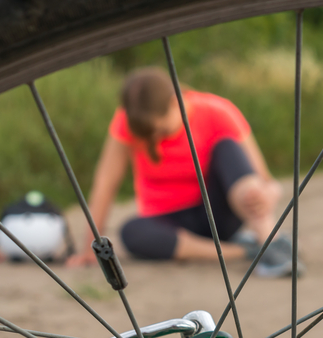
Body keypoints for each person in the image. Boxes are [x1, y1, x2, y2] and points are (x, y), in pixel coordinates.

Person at [66, 68, 300, 277]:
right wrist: (90, 247)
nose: (154, 140)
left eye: (160, 130)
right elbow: (106, 182)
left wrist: (265, 193)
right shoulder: (125, 122)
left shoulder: (218, 112)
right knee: (130, 232)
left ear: (175, 103)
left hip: (218, 212)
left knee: (226, 148)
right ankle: (244, 250)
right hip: (170, 223)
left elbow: (265, 179)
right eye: (147, 136)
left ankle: (270, 243)